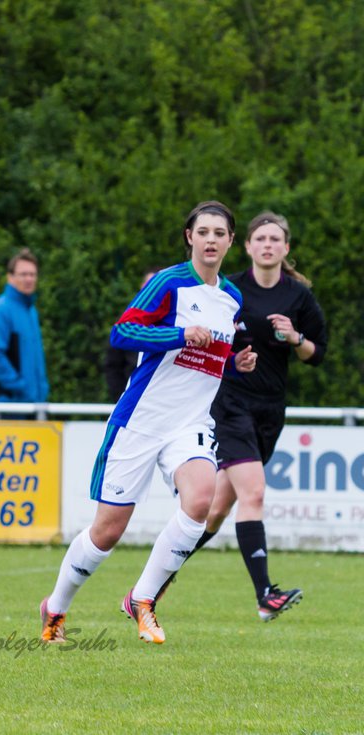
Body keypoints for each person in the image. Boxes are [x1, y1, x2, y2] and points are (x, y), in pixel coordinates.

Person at [39, 201, 257, 646]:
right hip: (141, 421)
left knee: (201, 499)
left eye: (220, 233)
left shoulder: (232, 298)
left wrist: (238, 363)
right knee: (107, 531)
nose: (212, 239)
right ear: (189, 237)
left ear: (231, 241)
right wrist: (177, 333)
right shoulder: (168, 284)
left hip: (190, 424)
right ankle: (55, 609)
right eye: (204, 232)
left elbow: (209, 362)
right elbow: (123, 332)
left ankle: (143, 599)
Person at [154, 211, 327, 621]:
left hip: (270, 409)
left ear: (285, 249)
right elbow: (207, 340)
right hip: (229, 404)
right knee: (255, 493)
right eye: (260, 239)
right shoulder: (229, 291)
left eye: (275, 239)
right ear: (246, 246)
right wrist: (232, 358)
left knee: (214, 510)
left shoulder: (299, 297)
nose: (268, 245)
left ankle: (154, 582)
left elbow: (318, 354)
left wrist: (296, 337)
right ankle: (266, 595)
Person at [0, 248, 49, 406]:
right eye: (23, 274)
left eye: (32, 274)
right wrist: (22, 388)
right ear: (10, 277)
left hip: (34, 404)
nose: (29, 279)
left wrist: (41, 391)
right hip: (9, 405)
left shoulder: (31, 311)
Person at [102, 267, 159, 401]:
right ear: (141, 287)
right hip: (132, 398)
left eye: (157, 286)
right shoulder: (128, 322)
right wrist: (121, 397)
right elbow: (112, 364)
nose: (153, 290)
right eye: (148, 285)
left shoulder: (178, 321)